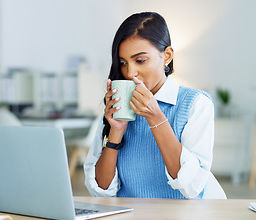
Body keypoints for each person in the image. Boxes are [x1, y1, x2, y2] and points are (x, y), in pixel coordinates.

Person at [84, 12, 218, 199]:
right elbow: (101, 190)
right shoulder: (120, 105)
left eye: (140, 60)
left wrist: (155, 117)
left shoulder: (196, 104)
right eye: (123, 63)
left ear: (167, 56)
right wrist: (115, 132)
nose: (130, 73)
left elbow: (192, 187)